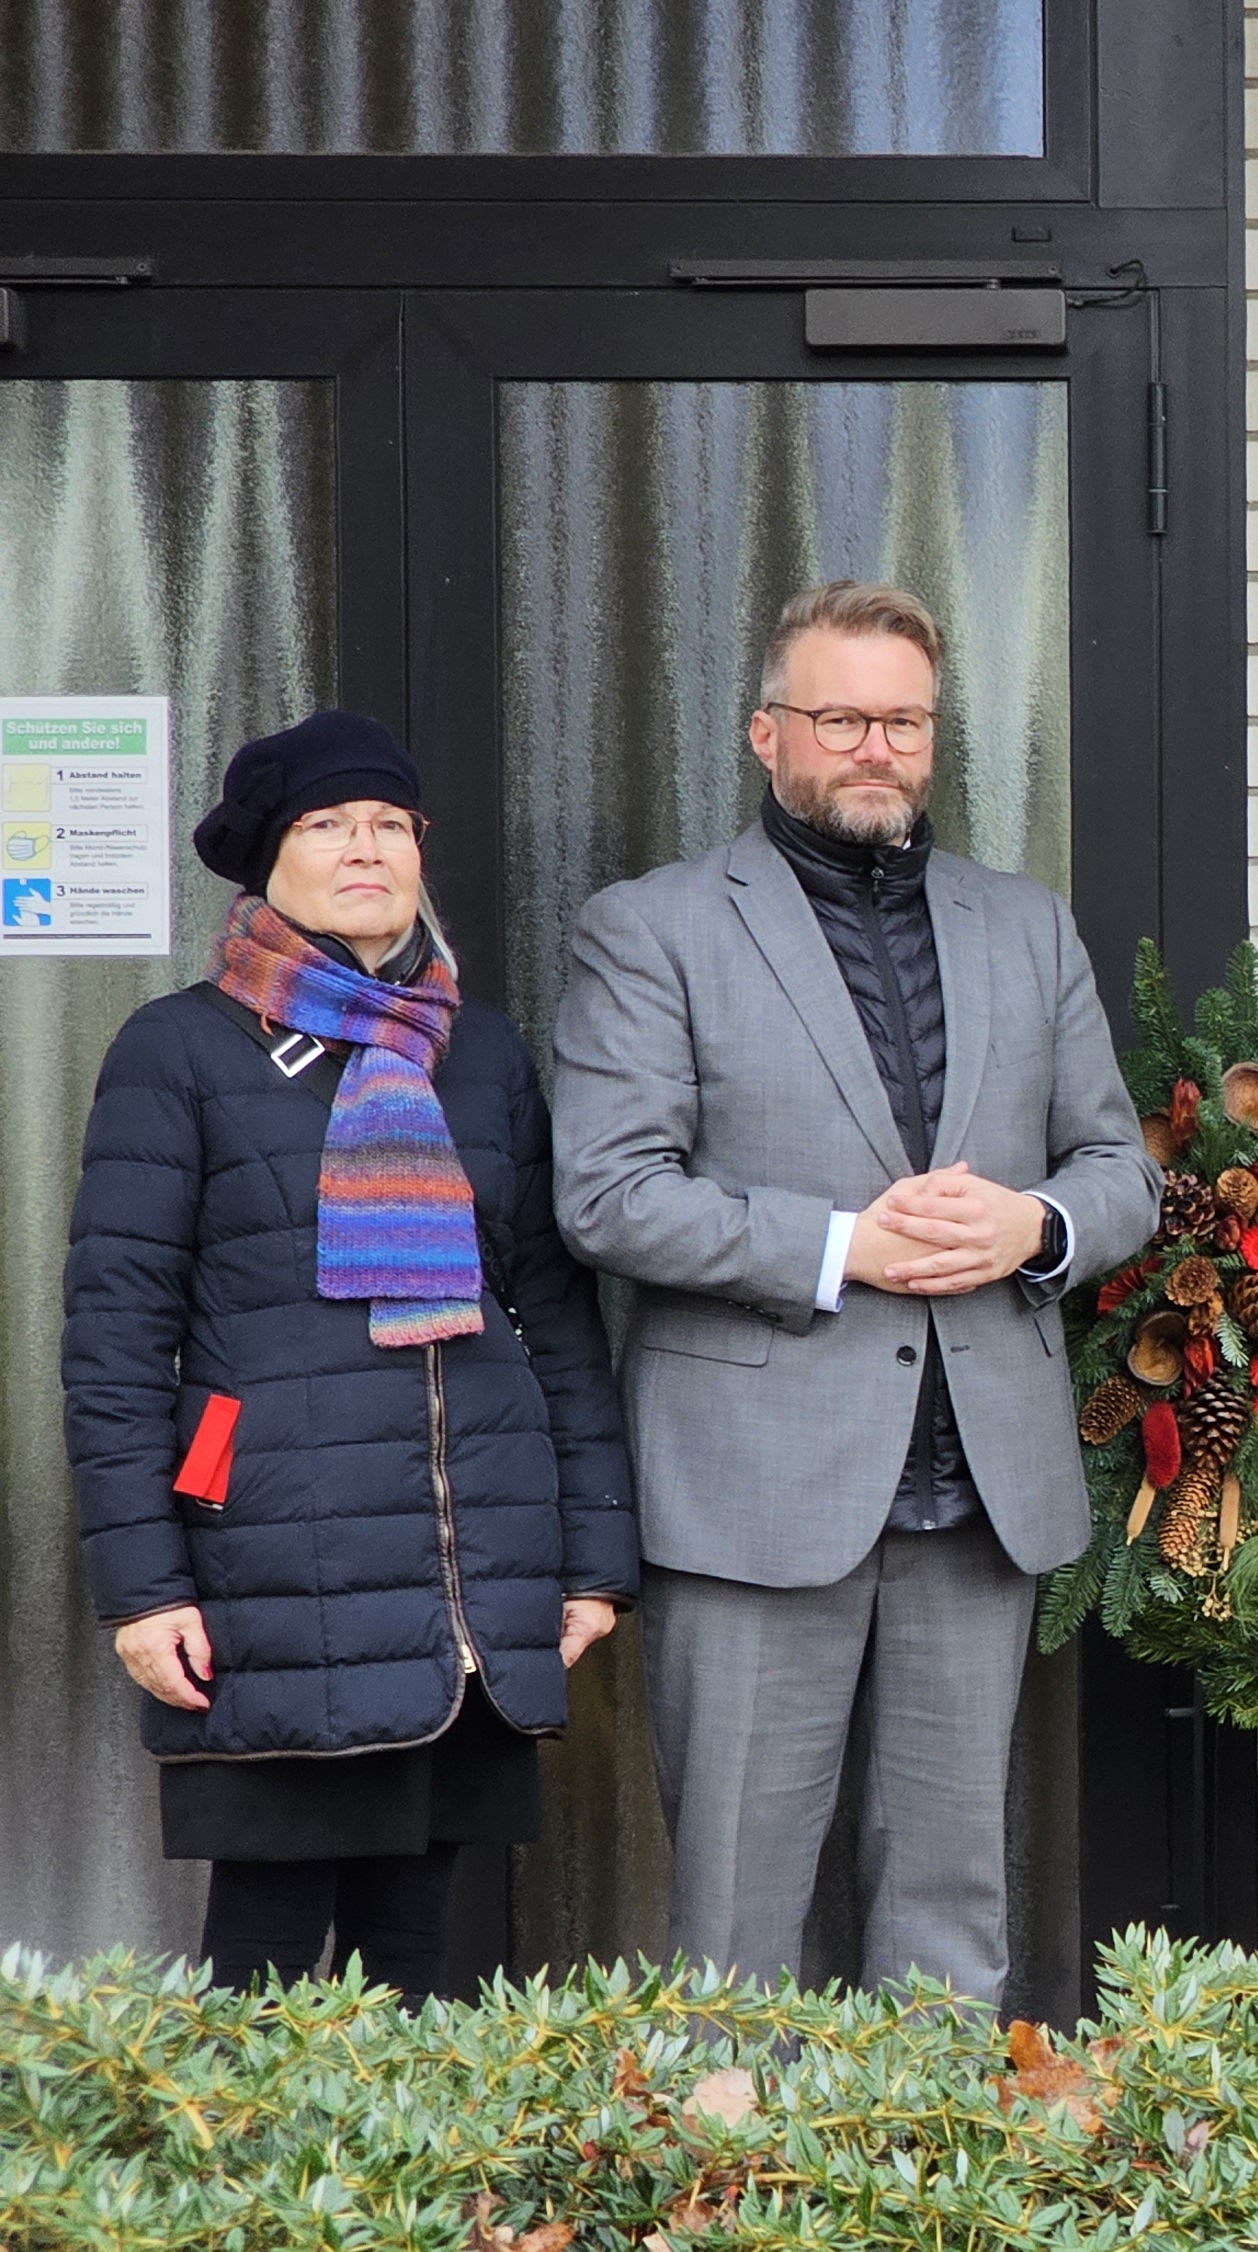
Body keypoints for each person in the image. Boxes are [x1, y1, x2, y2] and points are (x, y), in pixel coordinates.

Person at [551, 580, 1158, 2001]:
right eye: (842, 718)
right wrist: (839, 1247)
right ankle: (734, 2199)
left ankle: (925, 2185)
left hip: (978, 1485)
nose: (876, 747)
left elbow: (1119, 1168)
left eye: (905, 721)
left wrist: (1038, 1224)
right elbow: (609, 1191)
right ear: (768, 735)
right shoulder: (655, 929)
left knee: (952, 1898)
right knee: (736, 1911)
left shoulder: (1023, 925)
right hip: (754, 1492)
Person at [66, 712, 636, 1998]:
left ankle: (440, 2208)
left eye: (389, 823)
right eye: (326, 825)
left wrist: (593, 1555)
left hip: (462, 1585)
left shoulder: (477, 1052)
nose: (364, 848)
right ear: (266, 858)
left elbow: (549, 1311)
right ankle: (244, 2208)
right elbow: (114, 1337)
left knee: (428, 1953)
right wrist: (143, 1588)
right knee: (264, 1958)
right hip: (278, 1568)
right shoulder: (182, 1049)